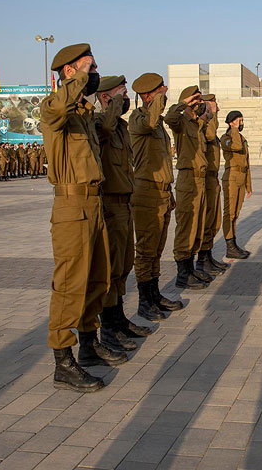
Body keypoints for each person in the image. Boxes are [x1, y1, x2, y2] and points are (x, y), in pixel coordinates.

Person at [41, 43, 127, 394]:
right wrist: (79, 79)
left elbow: (106, 125)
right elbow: (59, 104)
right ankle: (63, 360)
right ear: (68, 72)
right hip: (70, 207)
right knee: (70, 284)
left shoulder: (83, 115)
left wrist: (115, 99)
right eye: (88, 68)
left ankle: (88, 345)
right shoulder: (53, 110)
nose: (95, 74)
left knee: (97, 278)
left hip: (94, 204)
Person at [95, 75, 154, 349]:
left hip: (124, 203)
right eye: (121, 92)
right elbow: (104, 126)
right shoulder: (101, 122)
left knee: (123, 267)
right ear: (106, 97)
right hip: (108, 204)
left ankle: (118, 320)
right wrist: (112, 104)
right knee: (111, 269)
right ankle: (108, 329)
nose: (126, 97)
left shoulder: (120, 126)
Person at [129, 73, 184, 319]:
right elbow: (149, 122)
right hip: (145, 192)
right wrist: (157, 101)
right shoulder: (138, 119)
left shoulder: (158, 123)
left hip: (161, 192)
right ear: (148, 95)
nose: (166, 92)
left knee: (157, 249)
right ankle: (144, 301)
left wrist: (169, 190)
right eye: (161, 90)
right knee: (146, 250)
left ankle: (154, 295)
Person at [165, 85, 213, 289]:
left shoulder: (197, 124)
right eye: (197, 100)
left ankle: (191, 267)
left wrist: (207, 111)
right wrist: (185, 104)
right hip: (187, 180)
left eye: (201, 100)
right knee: (186, 227)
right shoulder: (181, 122)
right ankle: (182, 274)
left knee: (198, 226)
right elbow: (169, 118)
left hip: (200, 180)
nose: (201, 104)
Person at [196, 94, 231, 274]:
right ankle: (202, 260)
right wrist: (212, 113)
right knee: (207, 219)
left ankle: (207, 256)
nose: (217, 107)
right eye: (213, 104)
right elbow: (210, 134)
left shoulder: (208, 123)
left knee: (213, 220)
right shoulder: (204, 124)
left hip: (212, 177)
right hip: (206, 178)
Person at [220, 110, 252, 259]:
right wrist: (233, 128)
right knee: (230, 213)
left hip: (241, 176)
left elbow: (247, 163)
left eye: (242, 121)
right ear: (231, 122)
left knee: (236, 214)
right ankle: (229, 245)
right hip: (231, 177)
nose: (242, 124)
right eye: (239, 121)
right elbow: (236, 147)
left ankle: (233, 244)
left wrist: (248, 185)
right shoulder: (226, 138)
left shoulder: (242, 138)